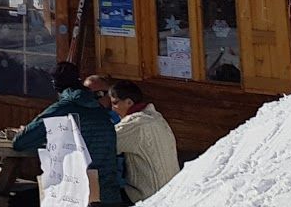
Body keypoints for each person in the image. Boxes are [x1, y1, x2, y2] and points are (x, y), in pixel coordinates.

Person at [11, 61, 123, 205]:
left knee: (18, 200)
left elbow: (20, 142)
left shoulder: (63, 108)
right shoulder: (101, 112)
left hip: (78, 194)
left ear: (55, 85)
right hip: (109, 194)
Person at [109, 81, 180, 202]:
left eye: (115, 103)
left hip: (148, 196)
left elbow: (105, 143)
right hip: (172, 190)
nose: (112, 108)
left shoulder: (135, 125)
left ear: (129, 102)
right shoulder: (156, 117)